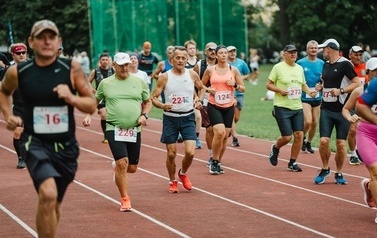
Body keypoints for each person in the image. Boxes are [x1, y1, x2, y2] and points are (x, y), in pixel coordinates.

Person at [0, 19, 97, 237]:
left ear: (59, 41)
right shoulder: (19, 71)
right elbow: (3, 91)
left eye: (51, 37)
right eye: (41, 37)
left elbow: (91, 103)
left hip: (66, 147)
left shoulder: (70, 68)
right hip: (35, 142)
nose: (46, 41)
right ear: (31, 42)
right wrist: (8, 116)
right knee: (48, 194)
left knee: (54, 204)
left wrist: (70, 97)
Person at [83, 52, 151, 211]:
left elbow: (147, 102)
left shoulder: (139, 82)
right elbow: (95, 100)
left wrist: (144, 115)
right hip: (114, 127)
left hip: (134, 129)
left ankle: (118, 168)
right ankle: (125, 198)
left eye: (127, 64)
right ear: (114, 66)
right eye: (121, 65)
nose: (124, 68)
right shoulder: (105, 83)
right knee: (122, 163)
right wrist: (88, 115)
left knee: (132, 168)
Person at [151, 46, 205, 192]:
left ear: (187, 59)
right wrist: (162, 105)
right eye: (178, 58)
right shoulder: (165, 77)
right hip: (171, 119)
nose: (180, 60)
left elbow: (202, 88)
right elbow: (153, 97)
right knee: (171, 153)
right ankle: (172, 180)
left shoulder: (192, 74)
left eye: (183, 58)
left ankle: (183, 173)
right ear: (172, 59)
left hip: (188, 117)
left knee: (190, 152)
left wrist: (199, 100)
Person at [314, 38, 361, 185]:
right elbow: (325, 81)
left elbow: (357, 83)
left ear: (329, 49)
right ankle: (325, 168)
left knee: (341, 144)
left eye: (323, 49)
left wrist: (341, 90)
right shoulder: (325, 65)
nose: (322, 52)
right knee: (323, 141)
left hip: (342, 110)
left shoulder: (345, 64)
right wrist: (320, 86)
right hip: (326, 109)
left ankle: (339, 172)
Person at [267, 44, 317, 172]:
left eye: (295, 52)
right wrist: (279, 90)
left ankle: (292, 162)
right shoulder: (278, 67)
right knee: (287, 137)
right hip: (282, 107)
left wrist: (310, 92)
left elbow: (302, 84)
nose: (293, 54)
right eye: (290, 52)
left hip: (297, 107)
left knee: (299, 135)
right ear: (284, 54)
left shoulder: (299, 68)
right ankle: (275, 148)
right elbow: (269, 85)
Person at [201, 45, 245, 175]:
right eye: (221, 53)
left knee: (225, 136)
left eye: (225, 53)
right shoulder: (210, 70)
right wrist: (208, 90)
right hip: (214, 105)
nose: (224, 55)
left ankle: (217, 161)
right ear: (216, 55)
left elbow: (243, 88)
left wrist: (235, 85)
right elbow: (201, 85)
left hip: (228, 106)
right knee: (219, 132)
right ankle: (214, 161)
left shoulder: (234, 70)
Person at [354, 58, 377, 215]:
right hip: (367, 133)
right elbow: (360, 107)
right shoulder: (373, 86)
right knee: (376, 171)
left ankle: (370, 187)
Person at [296, 40, 324, 154]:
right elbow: (297, 78)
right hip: (304, 97)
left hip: (317, 96)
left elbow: (325, 79)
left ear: (318, 50)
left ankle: (309, 142)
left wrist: (321, 86)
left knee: (314, 122)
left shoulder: (322, 63)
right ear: (307, 50)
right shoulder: (300, 63)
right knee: (307, 121)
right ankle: (302, 137)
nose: (313, 50)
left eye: (315, 48)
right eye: (311, 48)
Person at [193, 42, 217, 164]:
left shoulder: (223, 64)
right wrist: (196, 97)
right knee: (210, 128)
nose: (213, 51)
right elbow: (192, 82)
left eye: (215, 49)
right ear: (206, 52)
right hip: (206, 99)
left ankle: (217, 152)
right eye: (210, 49)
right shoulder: (199, 65)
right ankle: (212, 154)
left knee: (223, 132)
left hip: (221, 100)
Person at [8, 43, 29, 168]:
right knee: (17, 132)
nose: (21, 55)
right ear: (13, 54)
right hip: (18, 106)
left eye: (23, 52)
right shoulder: (9, 70)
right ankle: (21, 158)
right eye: (18, 53)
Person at [87, 53, 114, 143]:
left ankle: (114, 134)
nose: (105, 62)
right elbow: (88, 82)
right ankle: (106, 136)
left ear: (109, 61)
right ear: (100, 61)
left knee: (112, 116)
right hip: (100, 97)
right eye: (103, 60)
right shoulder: (95, 71)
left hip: (111, 96)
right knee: (103, 115)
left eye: (107, 60)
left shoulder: (113, 70)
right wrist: (92, 90)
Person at [227, 45, 250, 147]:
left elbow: (248, 73)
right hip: (228, 93)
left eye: (234, 51)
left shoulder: (241, 63)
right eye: (230, 51)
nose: (232, 53)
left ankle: (229, 129)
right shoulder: (225, 64)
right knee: (230, 116)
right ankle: (235, 137)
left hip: (239, 92)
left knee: (236, 117)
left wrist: (239, 78)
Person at [346, 45, 366, 165]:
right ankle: (353, 154)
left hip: (365, 104)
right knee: (353, 130)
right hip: (351, 103)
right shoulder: (346, 67)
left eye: (360, 55)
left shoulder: (366, 67)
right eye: (356, 55)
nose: (358, 57)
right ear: (350, 55)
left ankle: (363, 151)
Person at [185, 39, 202, 149]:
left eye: (193, 48)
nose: (192, 50)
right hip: (185, 92)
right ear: (186, 50)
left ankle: (196, 137)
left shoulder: (200, 63)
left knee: (198, 116)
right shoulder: (183, 62)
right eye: (190, 48)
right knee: (185, 115)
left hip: (197, 92)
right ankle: (182, 131)